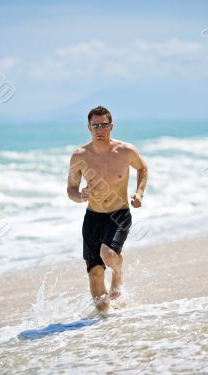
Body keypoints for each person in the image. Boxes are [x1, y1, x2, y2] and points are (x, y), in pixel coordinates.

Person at [67, 106, 148, 313]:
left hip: (119, 214)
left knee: (108, 253)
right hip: (92, 218)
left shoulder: (126, 151)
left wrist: (139, 193)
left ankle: (118, 273)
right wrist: (80, 196)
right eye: (96, 125)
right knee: (94, 274)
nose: (100, 129)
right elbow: (71, 189)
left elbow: (142, 167)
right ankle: (105, 320)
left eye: (104, 125)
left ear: (111, 127)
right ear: (89, 128)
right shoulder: (79, 156)